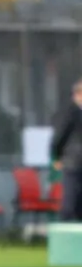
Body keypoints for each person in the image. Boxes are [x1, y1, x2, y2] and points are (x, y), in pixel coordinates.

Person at [52, 78, 82, 224]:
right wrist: (57, 157)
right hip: (73, 161)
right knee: (71, 199)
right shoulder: (69, 112)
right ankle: (66, 233)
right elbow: (60, 136)